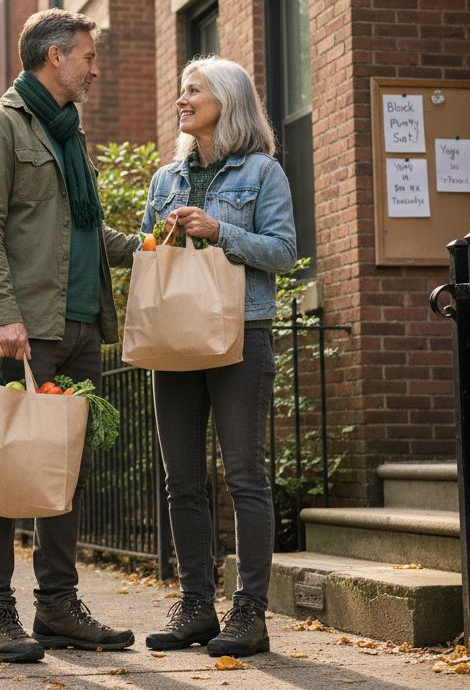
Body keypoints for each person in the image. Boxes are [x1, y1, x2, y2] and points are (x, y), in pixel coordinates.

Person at [0, 8, 138, 663]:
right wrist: (2, 314)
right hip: (27, 331)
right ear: (55, 57)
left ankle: (57, 608)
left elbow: (87, 233)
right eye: (89, 56)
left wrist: (153, 245)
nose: (96, 68)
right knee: (5, 472)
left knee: (62, 473)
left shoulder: (69, 136)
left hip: (83, 327)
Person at [140, 57, 297, 658]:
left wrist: (219, 231)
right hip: (174, 336)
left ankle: (249, 613)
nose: (182, 99)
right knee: (181, 479)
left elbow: (282, 252)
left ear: (226, 101)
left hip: (241, 332)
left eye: (193, 90)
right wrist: (168, 236)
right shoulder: (165, 181)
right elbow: (155, 257)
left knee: (244, 477)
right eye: (181, 90)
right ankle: (196, 606)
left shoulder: (263, 173)